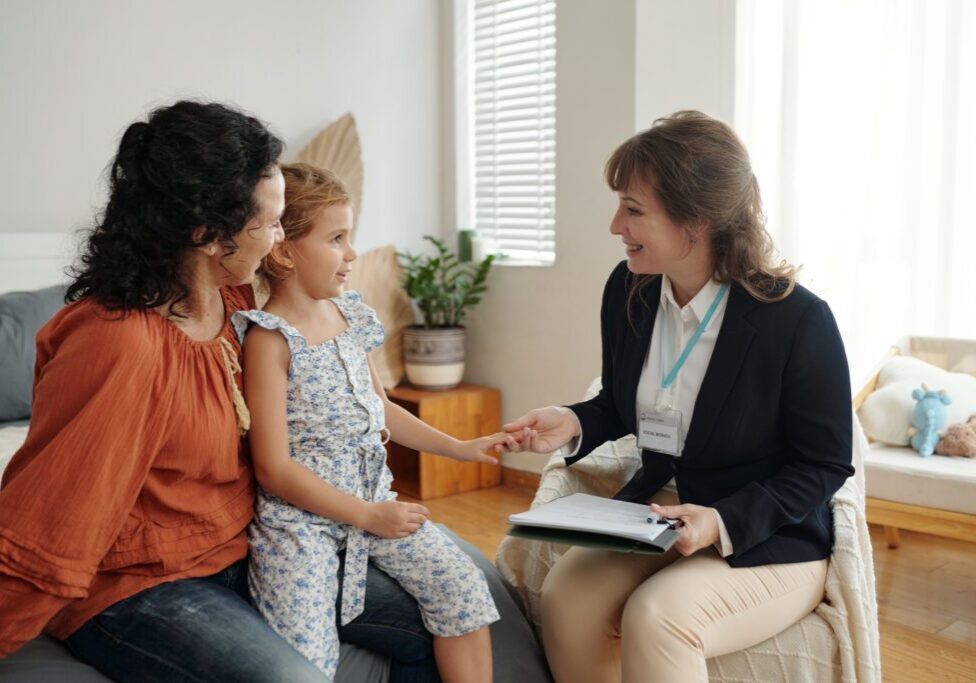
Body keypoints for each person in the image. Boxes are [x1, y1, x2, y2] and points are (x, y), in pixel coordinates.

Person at [0, 101, 440, 682]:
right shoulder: (119, 345)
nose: (279, 239)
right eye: (270, 224)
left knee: (449, 607)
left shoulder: (234, 305)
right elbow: (51, 520)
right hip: (141, 584)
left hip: (243, 545)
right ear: (208, 234)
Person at [502, 111, 855, 683]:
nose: (616, 224)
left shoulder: (797, 320)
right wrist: (571, 420)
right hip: (656, 515)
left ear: (700, 219)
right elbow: (622, 403)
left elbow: (824, 463)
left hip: (766, 534)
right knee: (566, 595)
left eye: (634, 209)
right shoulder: (628, 290)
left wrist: (719, 521)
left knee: (658, 617)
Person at [233, 162, 502, 681]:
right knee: (306, 656)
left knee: (463, 587)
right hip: (301, 526)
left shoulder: (350, 315)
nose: (352, 253)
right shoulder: (269, 341)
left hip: (376, 503)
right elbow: (273, 469)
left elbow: (382, 410)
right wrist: (365, 516)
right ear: (284, 251)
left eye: (349, 237)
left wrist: (460, 448)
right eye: (336, 238)